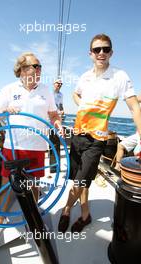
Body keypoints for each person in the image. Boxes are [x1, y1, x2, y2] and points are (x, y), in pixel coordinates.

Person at [58, 33, 141, 233]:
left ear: (111, 52)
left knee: (79, 180)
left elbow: (134, 107)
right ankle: (85, 214)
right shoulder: (85, 77)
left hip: (97, 139)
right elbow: (75, 93)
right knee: (81, 179)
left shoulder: (120, 76)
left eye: (105, 49)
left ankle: (67, 210)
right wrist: (83, 106)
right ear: (91, 53)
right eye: (97, 49)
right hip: (78, 135)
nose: (101, 52)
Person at [0, 52, 63, 226]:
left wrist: (57, 122)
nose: (39, 70)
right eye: (35, 66)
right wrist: (4, 111)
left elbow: (53, 114)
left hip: (37, 147)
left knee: (34, 185)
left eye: (40, 67)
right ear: (22, 70)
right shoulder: (9, 89)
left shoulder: (46, 90)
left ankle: (32, 216)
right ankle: (0, 217)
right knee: (6, 184)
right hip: (13, 147)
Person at [50, 79, 64, 173]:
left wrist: (62, 110)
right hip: (47, 120)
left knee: (55, 143)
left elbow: (61, 105)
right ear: (53, 84)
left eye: (60, 83)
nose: (59, 85)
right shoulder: (49, 93)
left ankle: (55, 166)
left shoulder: (61, 95)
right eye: (57, 83)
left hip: (56, 121)